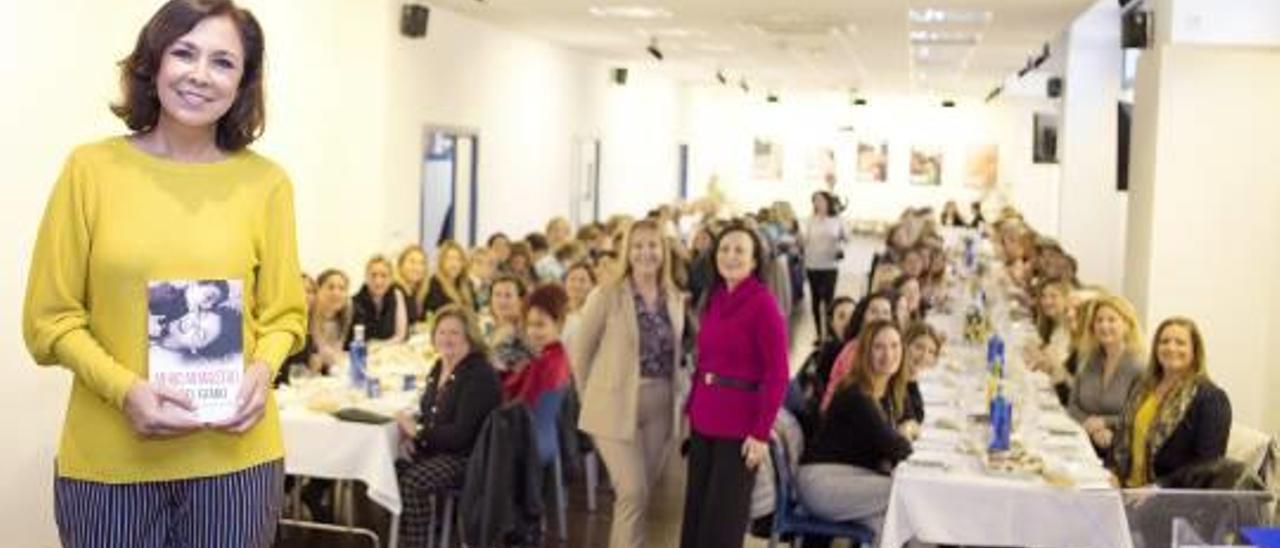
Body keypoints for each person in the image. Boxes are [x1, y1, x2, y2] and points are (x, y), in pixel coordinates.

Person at [22, 2, 306, 545]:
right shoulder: (90, 170)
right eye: (184, 52)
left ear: (244, 82)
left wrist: (263, 370)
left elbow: (285, 315)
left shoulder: (268, 185)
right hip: (109, 465)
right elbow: (48, 321)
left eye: (223, 62)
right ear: (154, 62)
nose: (200, 75)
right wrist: (125, 390)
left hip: (235, 461)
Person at [569, 219, 688, 548]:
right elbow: (581, 353)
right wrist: (588, 397)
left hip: (661, 402)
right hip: (612, 403)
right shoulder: (606, 294)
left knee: (639, 494)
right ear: (627, 251)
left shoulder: (674, 297)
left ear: (663, 251)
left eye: (652, 245)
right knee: (632, 491)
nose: (645, 252)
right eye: (637, 246)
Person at [681, 222, 789, 548]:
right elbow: (705, 360)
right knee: (696, 515)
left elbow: (778, 374)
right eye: (724, 249)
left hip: (740, 428)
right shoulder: (713, 298)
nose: (730, 256)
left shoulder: (763, 304)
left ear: (755, 261)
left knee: (722, 522)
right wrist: (691, 410)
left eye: (739, 250)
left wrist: (760, 433)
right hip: (704, 419)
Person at [394, 305, 502, 548]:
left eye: (454, 333)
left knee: (413, 482)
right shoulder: (440, 365)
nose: (447, 338)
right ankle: (413, 532)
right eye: (441, 332)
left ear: (469, 336)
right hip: (443, 449)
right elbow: (428, 411)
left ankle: (418, 543)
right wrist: (415, 436)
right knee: (393, 466)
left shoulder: (478, 374)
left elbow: (462, 436)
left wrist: (419, 433)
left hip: (469, 457)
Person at [798, 321, 913, 542]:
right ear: (865, 353)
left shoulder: (885, 391)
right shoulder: (857, 394)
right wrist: (905, 434)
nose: (888, 354)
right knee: (907, 492)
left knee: (895, 525)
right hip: (822, 484)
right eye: (879, 347)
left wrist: (904, 430)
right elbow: (896, 447)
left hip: (848, 480)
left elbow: (903, 426)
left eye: (895, 345)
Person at [1113, 318, 1231, 487]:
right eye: (1164, 342)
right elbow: (1123, 433)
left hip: (1170, 498)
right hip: (1128, 488)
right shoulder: (1143, 387)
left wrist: (1158, 488)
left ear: (1195, 351)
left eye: (1180, 343)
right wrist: (1114, 471)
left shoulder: (1210, 399)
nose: (1171, 348)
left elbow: (1208, 465)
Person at [1068, 294, 1144, 455]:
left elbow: (1137, 414)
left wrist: (1104, 423)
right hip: (1082, 440)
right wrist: (1091, 427)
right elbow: (1073, 405)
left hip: (1119, 447)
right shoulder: (1088, 359)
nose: (1104, 326)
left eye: (1112, 320)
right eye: (1099, 320)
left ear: (1127, 325)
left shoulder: (1139, 367)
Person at [821, 291, 898, 413]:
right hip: (843, 416)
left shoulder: (888, 346)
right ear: (862, 317)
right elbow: (860, 400)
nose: (880, 317)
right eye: (874, 312)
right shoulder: (854, 350)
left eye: (885, 312)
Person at [500, 284, 572, 408]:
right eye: (529, 324)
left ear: (559, 323)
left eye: (540, 325)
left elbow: (523, 403)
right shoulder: (555, 356)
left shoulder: (545, 362)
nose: (533, 331)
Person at [803, 191, 847, 345]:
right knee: (815, 300)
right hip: (812, 264)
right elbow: (804, 240)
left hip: (830, 264)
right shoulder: (810, 221)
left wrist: (841, 239)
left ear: (827, 202)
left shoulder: (836, 220)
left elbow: (847, 238)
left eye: (821, 200)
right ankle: (818, 334)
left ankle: (829, 332)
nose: (818, 204)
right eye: (815, 201)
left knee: (828, 300)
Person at [349, 255, 409, 344]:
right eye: (373, 275)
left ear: (391, 279)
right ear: (366, 277)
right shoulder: (354, 302)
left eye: (383, 276)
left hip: (391, 351)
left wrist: (381, 346)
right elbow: (355, 340)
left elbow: (401, 335)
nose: (378, 281)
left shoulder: (397, 295)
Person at [900, 322, 942, 438]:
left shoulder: (909, 379)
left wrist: (913, 379)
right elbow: (910, 420)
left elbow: (917, 417)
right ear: (904, 344)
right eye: (919, 347)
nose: (924, 356)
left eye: (931, 352)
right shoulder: (893, 380)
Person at [311, 269, 353, 373]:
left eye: (342, 288)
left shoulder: (346, 313)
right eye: (330, 287)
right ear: (318, 290)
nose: (336, 293)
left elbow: (337, 353)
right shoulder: (309, 317)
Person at [424, 240, 475, 316]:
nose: (454, 264)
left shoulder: (467, 283)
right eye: (449, 258)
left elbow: (475, 310)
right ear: (441, 261)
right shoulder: (434, 284)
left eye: (458, 259)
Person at [561, 261, 596, 350]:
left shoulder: (594, 316)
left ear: (592, 286)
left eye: (582, 280)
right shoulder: (556, 313)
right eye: (572, 279)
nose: (576, 285)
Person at [396, 244, 431, 324]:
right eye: (412, 262)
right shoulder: (395, 290)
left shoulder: (418, 292)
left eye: (422, 263)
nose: (417, 267)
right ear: (401, 265)